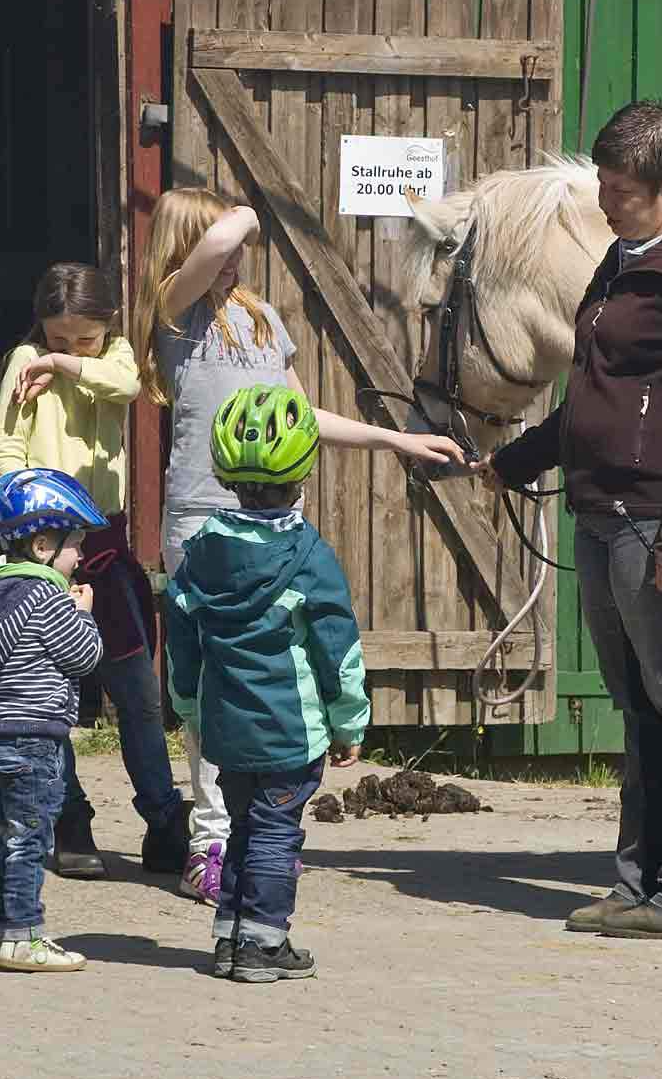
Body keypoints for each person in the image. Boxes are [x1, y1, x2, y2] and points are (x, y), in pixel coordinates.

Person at [131, 187, 463, 904]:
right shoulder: (173, 311)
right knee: (213, 690)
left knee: (274, 679)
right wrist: (248, 212)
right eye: (222, 244)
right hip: (205, 519)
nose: (237, 256)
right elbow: (220, 242)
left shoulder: (261, 319)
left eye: (242, 247)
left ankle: (258, 832)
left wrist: (392, 437)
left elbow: (298, 412)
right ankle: (209, 842)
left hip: (276, 521)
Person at [482, 101, 662, 941]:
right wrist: (517, 459)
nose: (605, 199)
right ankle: (640, 883)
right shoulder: (623, 256)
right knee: (641, 701)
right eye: (602, 180)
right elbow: (596, 397)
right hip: (607, 512)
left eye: (621, 188)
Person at [164, 386, 366, 983]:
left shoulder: (200, 552)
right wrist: (349, 721)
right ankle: (263, 943)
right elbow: (338, 650)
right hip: (289, 730)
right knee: (276, 832)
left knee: (241, 826)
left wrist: (185, 704)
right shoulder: (308, 555)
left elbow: (181, 637)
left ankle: (228, 938)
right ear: (302, 471)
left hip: (225, 727)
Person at [0, 263, 181, 881]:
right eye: (58, 340)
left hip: (105, 546)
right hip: (42, 548)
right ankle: (70, 817)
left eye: (85, 340)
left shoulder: (116, 357)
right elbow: (5, 444)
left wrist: (68, 366)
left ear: (109, 329)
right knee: (51, 700)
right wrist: (27, 508)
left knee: (138, 695)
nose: (69, 350)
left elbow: (125, 387)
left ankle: (162, 817)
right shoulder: (23, 358)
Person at [0, 468, 113, 972]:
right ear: (42, 545)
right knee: (30, 838)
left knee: (1, 833)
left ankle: (0, 926)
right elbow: (85, 657)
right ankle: (24, 935)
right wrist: (83, 613)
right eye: (73, 545)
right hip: (36, 737)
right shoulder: (50, 599)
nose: (79, 557)